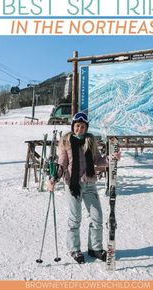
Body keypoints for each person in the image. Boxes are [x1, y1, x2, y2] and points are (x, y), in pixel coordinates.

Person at [48, 112, 120, 264]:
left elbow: (98, 161)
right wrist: (54, 178)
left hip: (89, 185)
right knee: (75, 218)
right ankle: (74, 249)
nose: (79, 129)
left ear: (86, 128)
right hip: (73, 185)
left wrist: (110, 159)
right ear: (73, 126)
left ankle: (95, 248)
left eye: (82, 126)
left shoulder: (90, 142)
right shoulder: (66, 142)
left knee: (97, 217)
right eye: (77, 126)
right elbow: (62, 164)